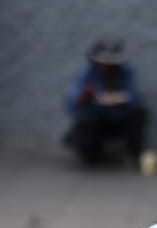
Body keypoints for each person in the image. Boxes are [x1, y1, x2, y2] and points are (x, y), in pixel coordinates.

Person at [62, 39, 148, 167]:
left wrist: (120, 99)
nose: (108, 66)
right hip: (97, 119)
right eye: (104, 63)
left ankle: (132, 153)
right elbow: (71, 104)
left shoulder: (126, 72)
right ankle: (91, 153)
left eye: (111, 63)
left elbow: (134, 97)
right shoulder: (86, 74)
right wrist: (85, 94)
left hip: (120, 118)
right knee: (86, 130)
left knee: (140, 113)